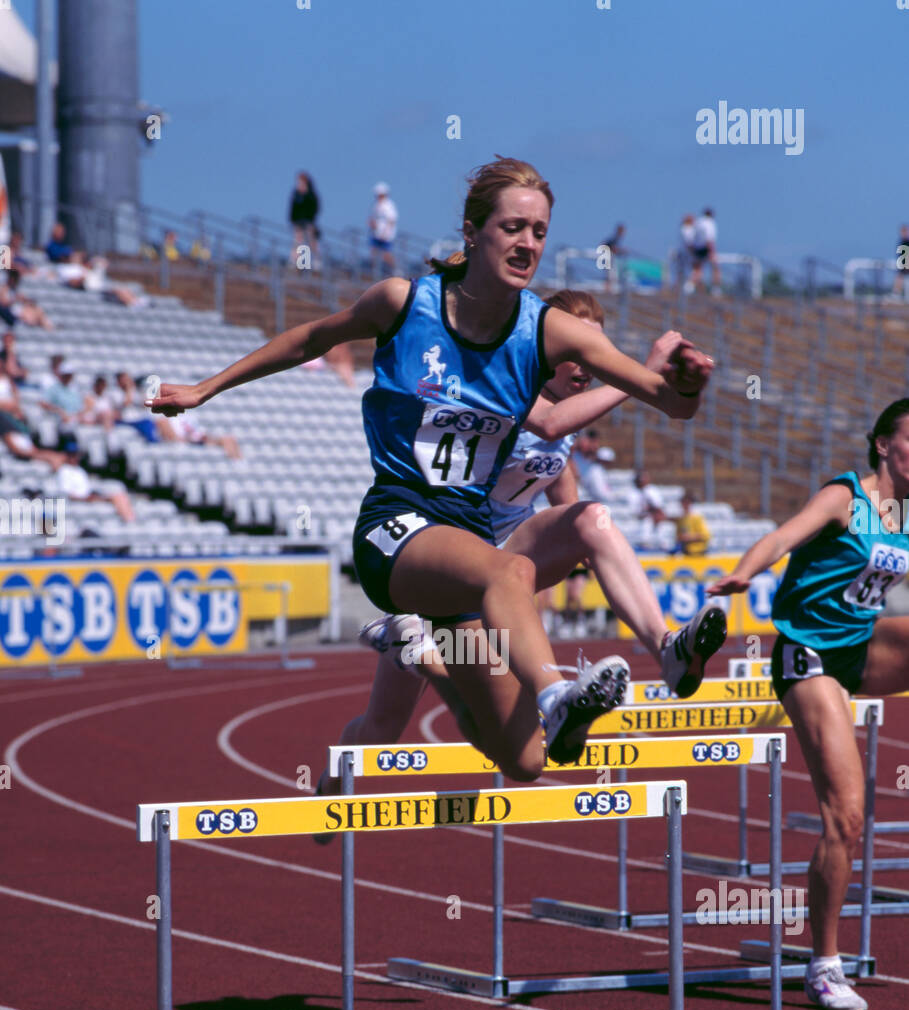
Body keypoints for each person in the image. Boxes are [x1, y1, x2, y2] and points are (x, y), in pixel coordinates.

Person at [148, 156, 713, 781]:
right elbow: (313, 338)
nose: (527, 243)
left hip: (470, 548)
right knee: (512, 572)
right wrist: (207, 388)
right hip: (396, 532)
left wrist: (687, 383)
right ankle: (557, 695)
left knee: (524, 762)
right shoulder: (402, 303)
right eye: (513, 227)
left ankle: (439, 660)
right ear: (472, 232)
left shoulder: (551, 332)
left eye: (540, 232)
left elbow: (668, 402)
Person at [314, 290, 725, 809]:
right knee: (383, 728)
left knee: (595, 519)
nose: (588, 364)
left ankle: (668, 648)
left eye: (597, 349)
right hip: (443, 560)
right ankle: (333, 782)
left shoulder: (572, 425)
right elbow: (551, 424)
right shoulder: (509, 383)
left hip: (505, 562)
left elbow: (565, 491)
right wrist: (639, 374)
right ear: (545, 349)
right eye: (575, 351)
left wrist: (578, 560)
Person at [708, 399, 909, 1010]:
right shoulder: (844, 497)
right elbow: (781, 536)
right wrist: (743, 574)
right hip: (809, 654)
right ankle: (823, 966)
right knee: (847, 819)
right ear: (883, 445)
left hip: (860, 649)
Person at [289, 171, 321, 269]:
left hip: (309, 222)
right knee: (298, 242)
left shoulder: (311, 194)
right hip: (298, 222)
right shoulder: (296, 194)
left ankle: (316, 262)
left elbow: (315, 207)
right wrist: (293, 219)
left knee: (312, 242)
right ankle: (296, 262)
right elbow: (292, 208)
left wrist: (311, 219)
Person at [632, 469, 667, 549]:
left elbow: (659, 507)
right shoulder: (633, 493)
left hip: (654, 518)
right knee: (646, 523)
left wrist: (657, 515)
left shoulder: (653, 490)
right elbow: (635, 512)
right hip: (642, 519)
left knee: (661, 528)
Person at [368, 183, 398, 278]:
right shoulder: (377, 205)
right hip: (376, 233)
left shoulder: (388, 205)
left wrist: (386, 233)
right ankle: (374, 272)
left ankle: (395, 270)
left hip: (385, 234)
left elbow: (391, 220)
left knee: (386, 254)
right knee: (374, 252)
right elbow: (374, 217)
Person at [690, 207, 719, 293]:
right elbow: (709, 238)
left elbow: (693, 236)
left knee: (698, 269)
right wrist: (712, 251)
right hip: (706, 248)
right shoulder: (710, 223)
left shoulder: (698, 222)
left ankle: (689, 287)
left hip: (696, 248)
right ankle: (715, 288)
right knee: (716, 268)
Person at [675, 489, 711, 555]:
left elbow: (706, 535)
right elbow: (678, 537)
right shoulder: (681, 519)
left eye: (687, 503)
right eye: (683, 503)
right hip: (686, 552)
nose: (685, 505)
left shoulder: (697, 518)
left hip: (699, 552)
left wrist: (689, 537)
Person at [893, 224, 909, 303]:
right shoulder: (902, 242)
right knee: (899, 277)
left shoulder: (906, 242)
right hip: (903, 264)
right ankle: (896, 294)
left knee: (900, 277)